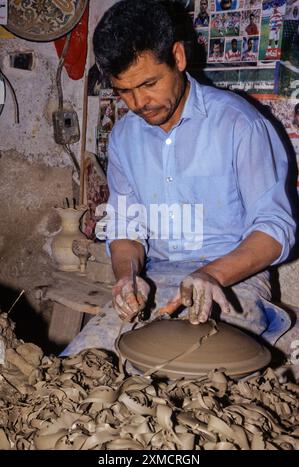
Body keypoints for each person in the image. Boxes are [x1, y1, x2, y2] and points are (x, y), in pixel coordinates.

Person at [63, 0, 295, 357]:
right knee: (78, 368)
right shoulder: (124, 137)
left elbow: (276, 230)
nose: (140, 102)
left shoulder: (240, 125)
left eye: (149, 83)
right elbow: (126, 229)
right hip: (156, 278)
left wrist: (212, 274)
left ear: (178, 57)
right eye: (124, 91)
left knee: (192, 375)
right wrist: (127, 276)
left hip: (234, 281)